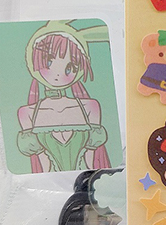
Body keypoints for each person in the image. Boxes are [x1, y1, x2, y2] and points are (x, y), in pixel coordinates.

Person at [17, 21, 111, 173]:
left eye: (70, 68)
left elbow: (91, 159)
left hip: (86, 180)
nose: (58, 74)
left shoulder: (90, 106)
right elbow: (42, 164)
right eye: (49, 61)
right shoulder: (27, 112)